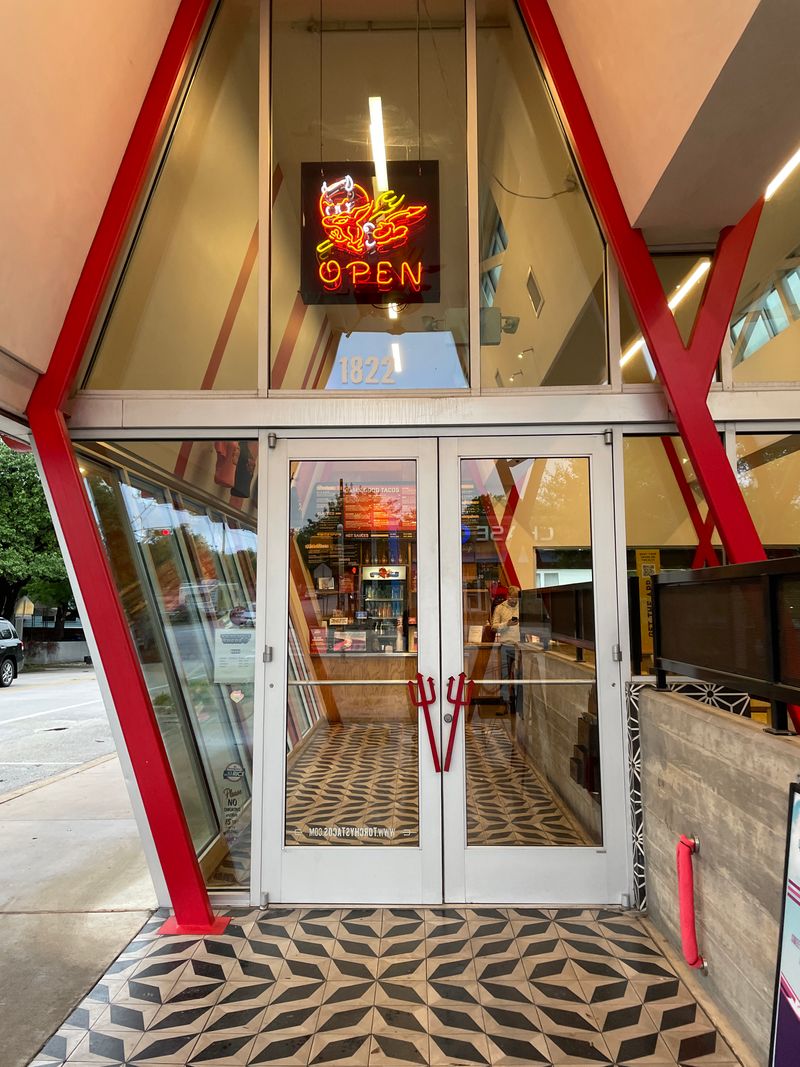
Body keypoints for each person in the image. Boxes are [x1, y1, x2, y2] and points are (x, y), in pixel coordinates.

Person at [492, 585, 520, 713]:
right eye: (512, 597)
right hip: (505, 646)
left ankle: (519, 706)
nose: (514, 600)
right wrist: (506, 624)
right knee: (504, 676)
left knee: (521, 677)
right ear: (508, 596)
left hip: (520, 647)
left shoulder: (523, 606)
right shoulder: (500, 608)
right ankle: (504, 704)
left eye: (516, 597)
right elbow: (493, 627)